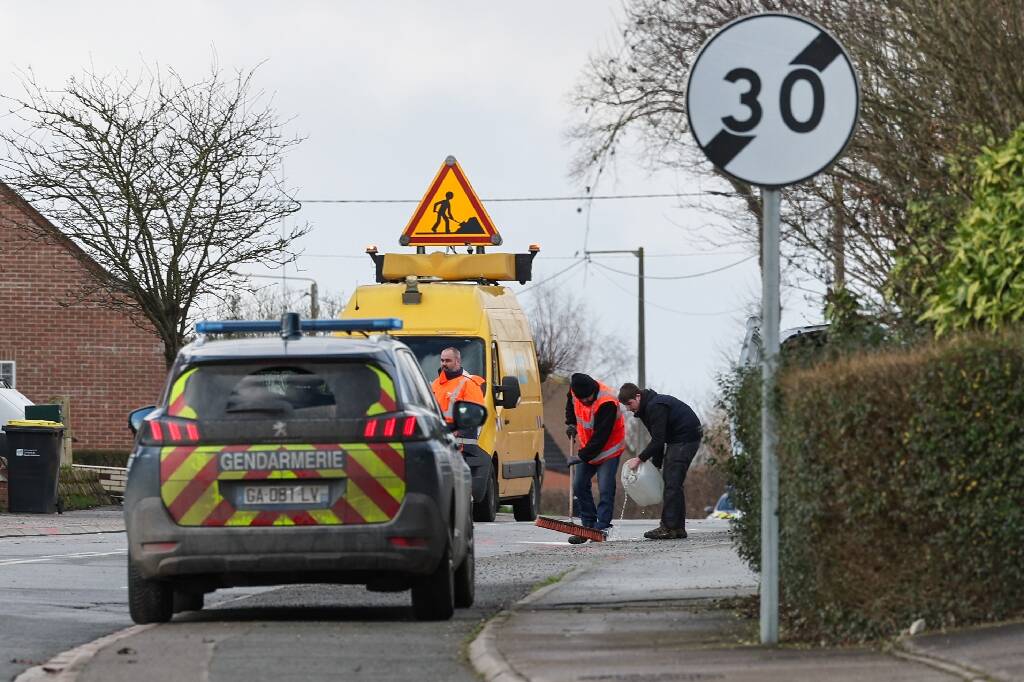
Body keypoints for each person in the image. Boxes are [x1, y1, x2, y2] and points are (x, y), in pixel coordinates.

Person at [618, 382, 703, 540]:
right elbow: (658, 439)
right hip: (677, 439)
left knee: (672, 482)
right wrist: (656, 466)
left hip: (685, 437)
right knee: (672, 481)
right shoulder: (645, 409)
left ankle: (669, 527)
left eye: (629, 404)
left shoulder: (655, 406)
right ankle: (677, 528)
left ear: (637, 396)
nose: (629, 409)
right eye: (626, 406)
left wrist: (639, 459)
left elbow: (658, 441)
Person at [564, 372, 626, 544]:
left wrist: (580, 457)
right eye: (581, 398)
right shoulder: (575, 391)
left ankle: (602, 527)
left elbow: (601, 437)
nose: (584, 401)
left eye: (588, 398)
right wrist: (570, 422)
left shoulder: (607, 402)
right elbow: (570, 403)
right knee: (579, 485)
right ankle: (588, 526)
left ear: (593, 390)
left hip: (608, 450)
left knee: (605, 487)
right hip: (587, 447)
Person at [431, 347, 485, 443]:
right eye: (442, 360)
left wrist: (459, 431)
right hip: (440, 440)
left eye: (448, 361)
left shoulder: (469, 383)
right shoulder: (435, 383)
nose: (444, 364)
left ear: (457, 361)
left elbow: (475, 415)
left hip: (462, 444)